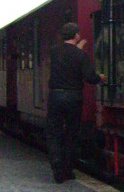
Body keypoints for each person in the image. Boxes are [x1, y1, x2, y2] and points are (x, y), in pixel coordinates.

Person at [46, 21, 107, 183]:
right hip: (73, 98)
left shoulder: (54, 52)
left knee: (54, 132)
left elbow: (65, 56)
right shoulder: (81, 55)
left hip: (55, 97)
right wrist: (99, 77)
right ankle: (68, 169)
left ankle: (57, 165)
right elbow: (89, 77)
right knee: (72, 133)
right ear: (77, 36)